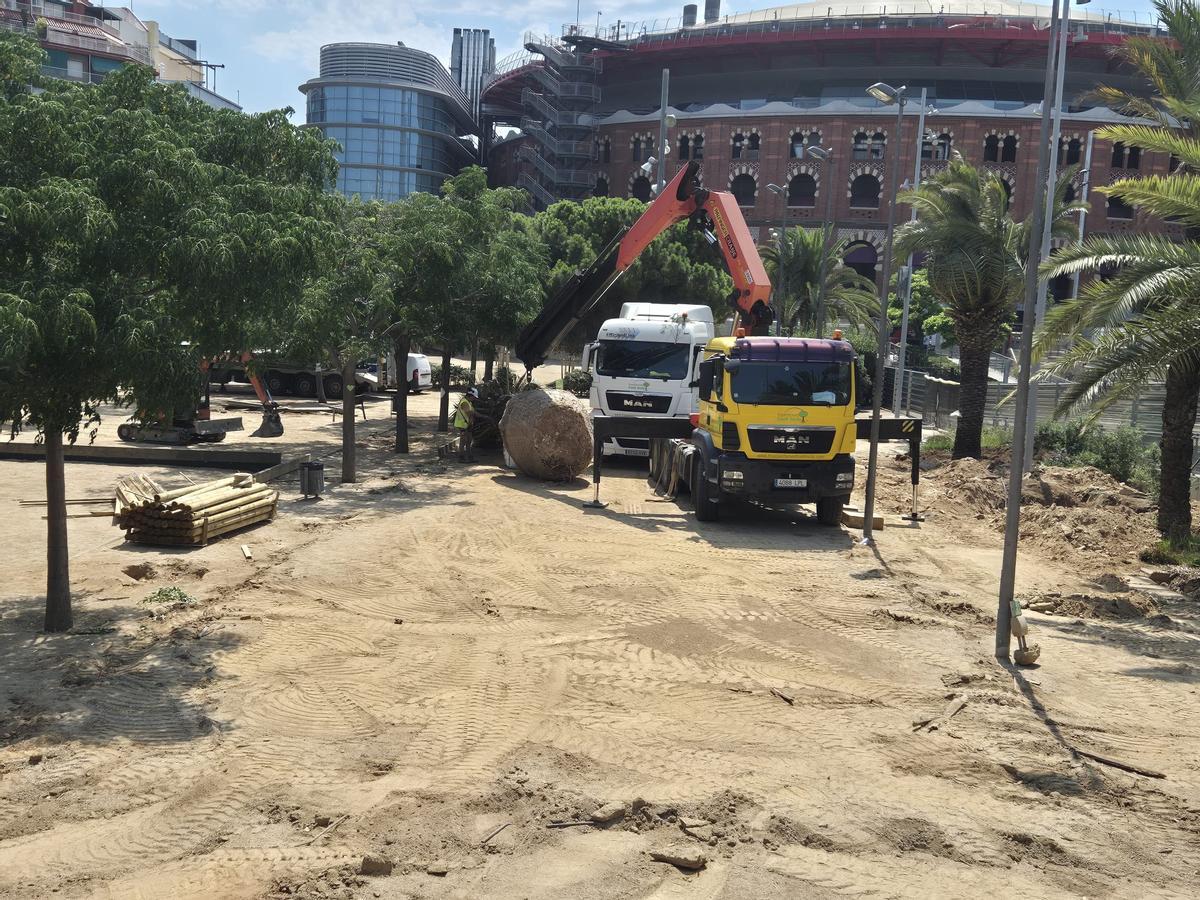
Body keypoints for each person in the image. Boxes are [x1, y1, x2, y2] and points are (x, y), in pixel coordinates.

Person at [454, 387, 480, 462]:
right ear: (470, 395)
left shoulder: (469, 402)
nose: (474, 399)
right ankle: (461, 458)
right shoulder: (464, 402)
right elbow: (469, 413)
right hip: (462, 425)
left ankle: (469, 457)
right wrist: (473, 418)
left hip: (467, 425)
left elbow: (473, 413)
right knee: (463, 441)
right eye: (474, 397)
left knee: (469, 441)